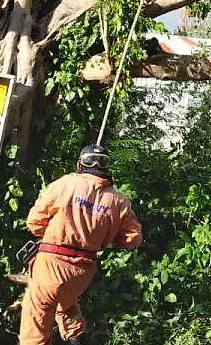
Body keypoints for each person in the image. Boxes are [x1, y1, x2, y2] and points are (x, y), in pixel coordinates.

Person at [17, 145, 142, 345]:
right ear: (107, 169)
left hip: (51, 264)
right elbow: (132, 239)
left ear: (79, 165)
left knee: (36, 324)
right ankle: (76, 337)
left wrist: (53, 235)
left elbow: (34, 222)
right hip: (81, 274)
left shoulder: (66, 184)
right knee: (65, 304)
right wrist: (104, 237)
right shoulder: (119, 202)